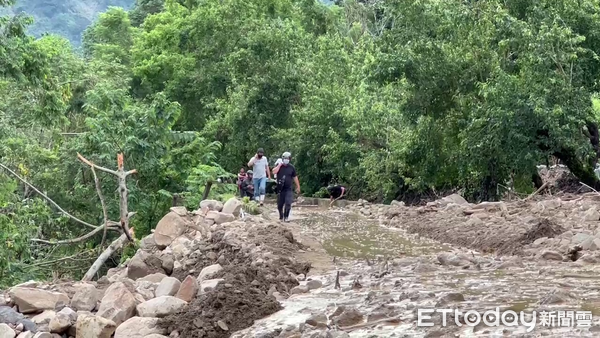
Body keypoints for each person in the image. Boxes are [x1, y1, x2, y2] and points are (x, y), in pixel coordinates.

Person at [273, 152, 300, 222]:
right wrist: (279, 165)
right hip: (280, 189)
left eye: (288, 158)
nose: (286, 160)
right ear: (282, 159)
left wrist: (298, 186)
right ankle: (281, 216)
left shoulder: (291, 167)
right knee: (280, 205)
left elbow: (295, 177)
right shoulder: (279, 166)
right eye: (285, 158)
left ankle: (286, 217)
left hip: (288, 188)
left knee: (288, 203)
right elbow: (274, 172)